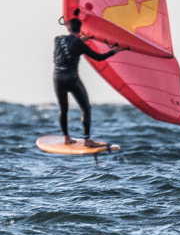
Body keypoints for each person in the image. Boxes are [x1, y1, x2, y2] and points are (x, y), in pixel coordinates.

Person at [53, 16, 126, 144]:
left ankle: (66, 138)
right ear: (80, 30)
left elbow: (69, 46)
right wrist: (113, 51)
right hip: (71, 78)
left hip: (57, 78)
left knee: (63, 109)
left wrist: (79, 41)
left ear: (68, 28)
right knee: (86, 108)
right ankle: (86, 140)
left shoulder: (57, 39)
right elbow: (98, 57)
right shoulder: (80, 44)